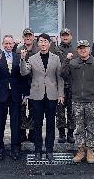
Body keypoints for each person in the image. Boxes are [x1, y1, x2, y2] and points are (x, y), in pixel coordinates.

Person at [60, 40, 94, 164]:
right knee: (79, 127)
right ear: (77, 50)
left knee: (91, 127)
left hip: (92, 101)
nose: (82, 50)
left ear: (89, 49)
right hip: (77, 101)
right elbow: (63, 74)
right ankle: (80, 150)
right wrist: (66, 60)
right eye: (80, 48)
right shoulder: (73, 63)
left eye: (85, 48)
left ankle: (90, 150)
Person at [20, 33, 64, 161]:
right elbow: (24, 72)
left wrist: (60, 94)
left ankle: (49, 150)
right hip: (36, 95)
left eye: (45, 41)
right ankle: (38, 150)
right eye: (41, 41)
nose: (43, 44)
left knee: (51, 124)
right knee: (37, 124)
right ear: (37, 43)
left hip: (52, 95)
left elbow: (59, 77)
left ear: (49, 44)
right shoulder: (32, 58)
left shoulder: (55, 58)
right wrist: (22, 59)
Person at [0, 35, 25, 160]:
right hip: (0, 94)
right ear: (2, 44)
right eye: (6, 44)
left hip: (15, 93)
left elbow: (23, 76)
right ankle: (0, 148)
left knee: (15, 121)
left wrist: (24, 93)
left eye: (10, 44)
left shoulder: (18, 57)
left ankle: (15, 147)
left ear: (14, 44)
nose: (8, 46)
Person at [52, 28, 76, 144]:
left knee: (72, 111)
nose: (65, 37)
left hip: (72, 84)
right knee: (60, 111)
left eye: (67, 35)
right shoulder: (56, 49)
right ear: (60, 37)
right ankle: (61, 133)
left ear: (71, 36)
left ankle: (70, 133)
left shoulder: (76, 49)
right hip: (59, 84)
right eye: (63, 35)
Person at [16, 28, 39, 142]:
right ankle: (22, 133)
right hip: (22, 84)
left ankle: (33, 133)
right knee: (21, 109)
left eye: (30, 36)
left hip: (34, 84)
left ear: (33, 37)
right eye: (26, 36)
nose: (28, 38)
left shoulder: (38, 49)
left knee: (34, 109)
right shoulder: (19, 49)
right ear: (23, 38)